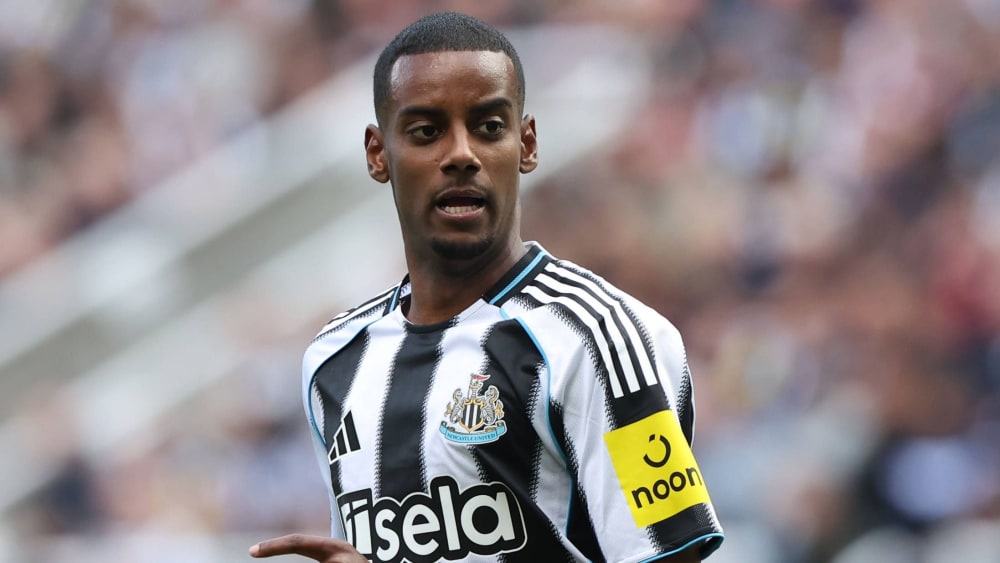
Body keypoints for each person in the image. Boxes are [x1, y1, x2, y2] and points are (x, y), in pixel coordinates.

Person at [250, 11, 724, 563]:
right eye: (426, 132)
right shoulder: (334, 359)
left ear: (527, 144)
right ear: (379, 154)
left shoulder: (603, 338)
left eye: (489, 127)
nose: (461, 155)